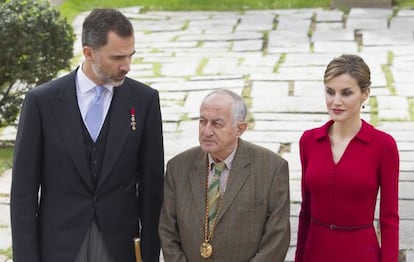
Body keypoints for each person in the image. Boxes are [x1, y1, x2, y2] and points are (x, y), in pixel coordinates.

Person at [10, 8, 164, 262]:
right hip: (59, 246)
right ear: (88, 53)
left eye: (130, 55)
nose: (126, 66)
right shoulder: (42, 102)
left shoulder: (145, 101)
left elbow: (152, 188)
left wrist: (148, 255)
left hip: (120, 246)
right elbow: (23, 194)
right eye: (117, 57)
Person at [159, 89, 290, 262]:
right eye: (202, 121)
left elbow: (276, 238)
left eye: (217, 124)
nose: (207, 131)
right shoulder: (178, 167)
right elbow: (168, 231)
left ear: (240, 129)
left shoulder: (271, 168)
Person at [294, 54, 399, 262]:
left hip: (361, 253)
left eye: (346, 93)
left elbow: (389, 220)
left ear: (365, 94)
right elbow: (305, 211)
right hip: (315, 252)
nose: (336, 101)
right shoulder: (309, 141)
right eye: (330, 92)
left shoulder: (383, 146)